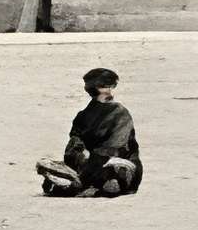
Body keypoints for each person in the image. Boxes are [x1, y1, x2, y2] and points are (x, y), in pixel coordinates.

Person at [36, 67, 142, 197]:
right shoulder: (83, 115)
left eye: (111, 86)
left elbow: (116, 145)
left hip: (114, 161)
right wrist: (80, 154)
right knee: (49, 164)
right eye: (104, 87)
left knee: (114, 170)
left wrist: (91, 160)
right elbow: (74, 141)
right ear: (93, 89)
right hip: (87, 164)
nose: (109, 91)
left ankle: (78, 183)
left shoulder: (120, 112)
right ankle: (79, 183)